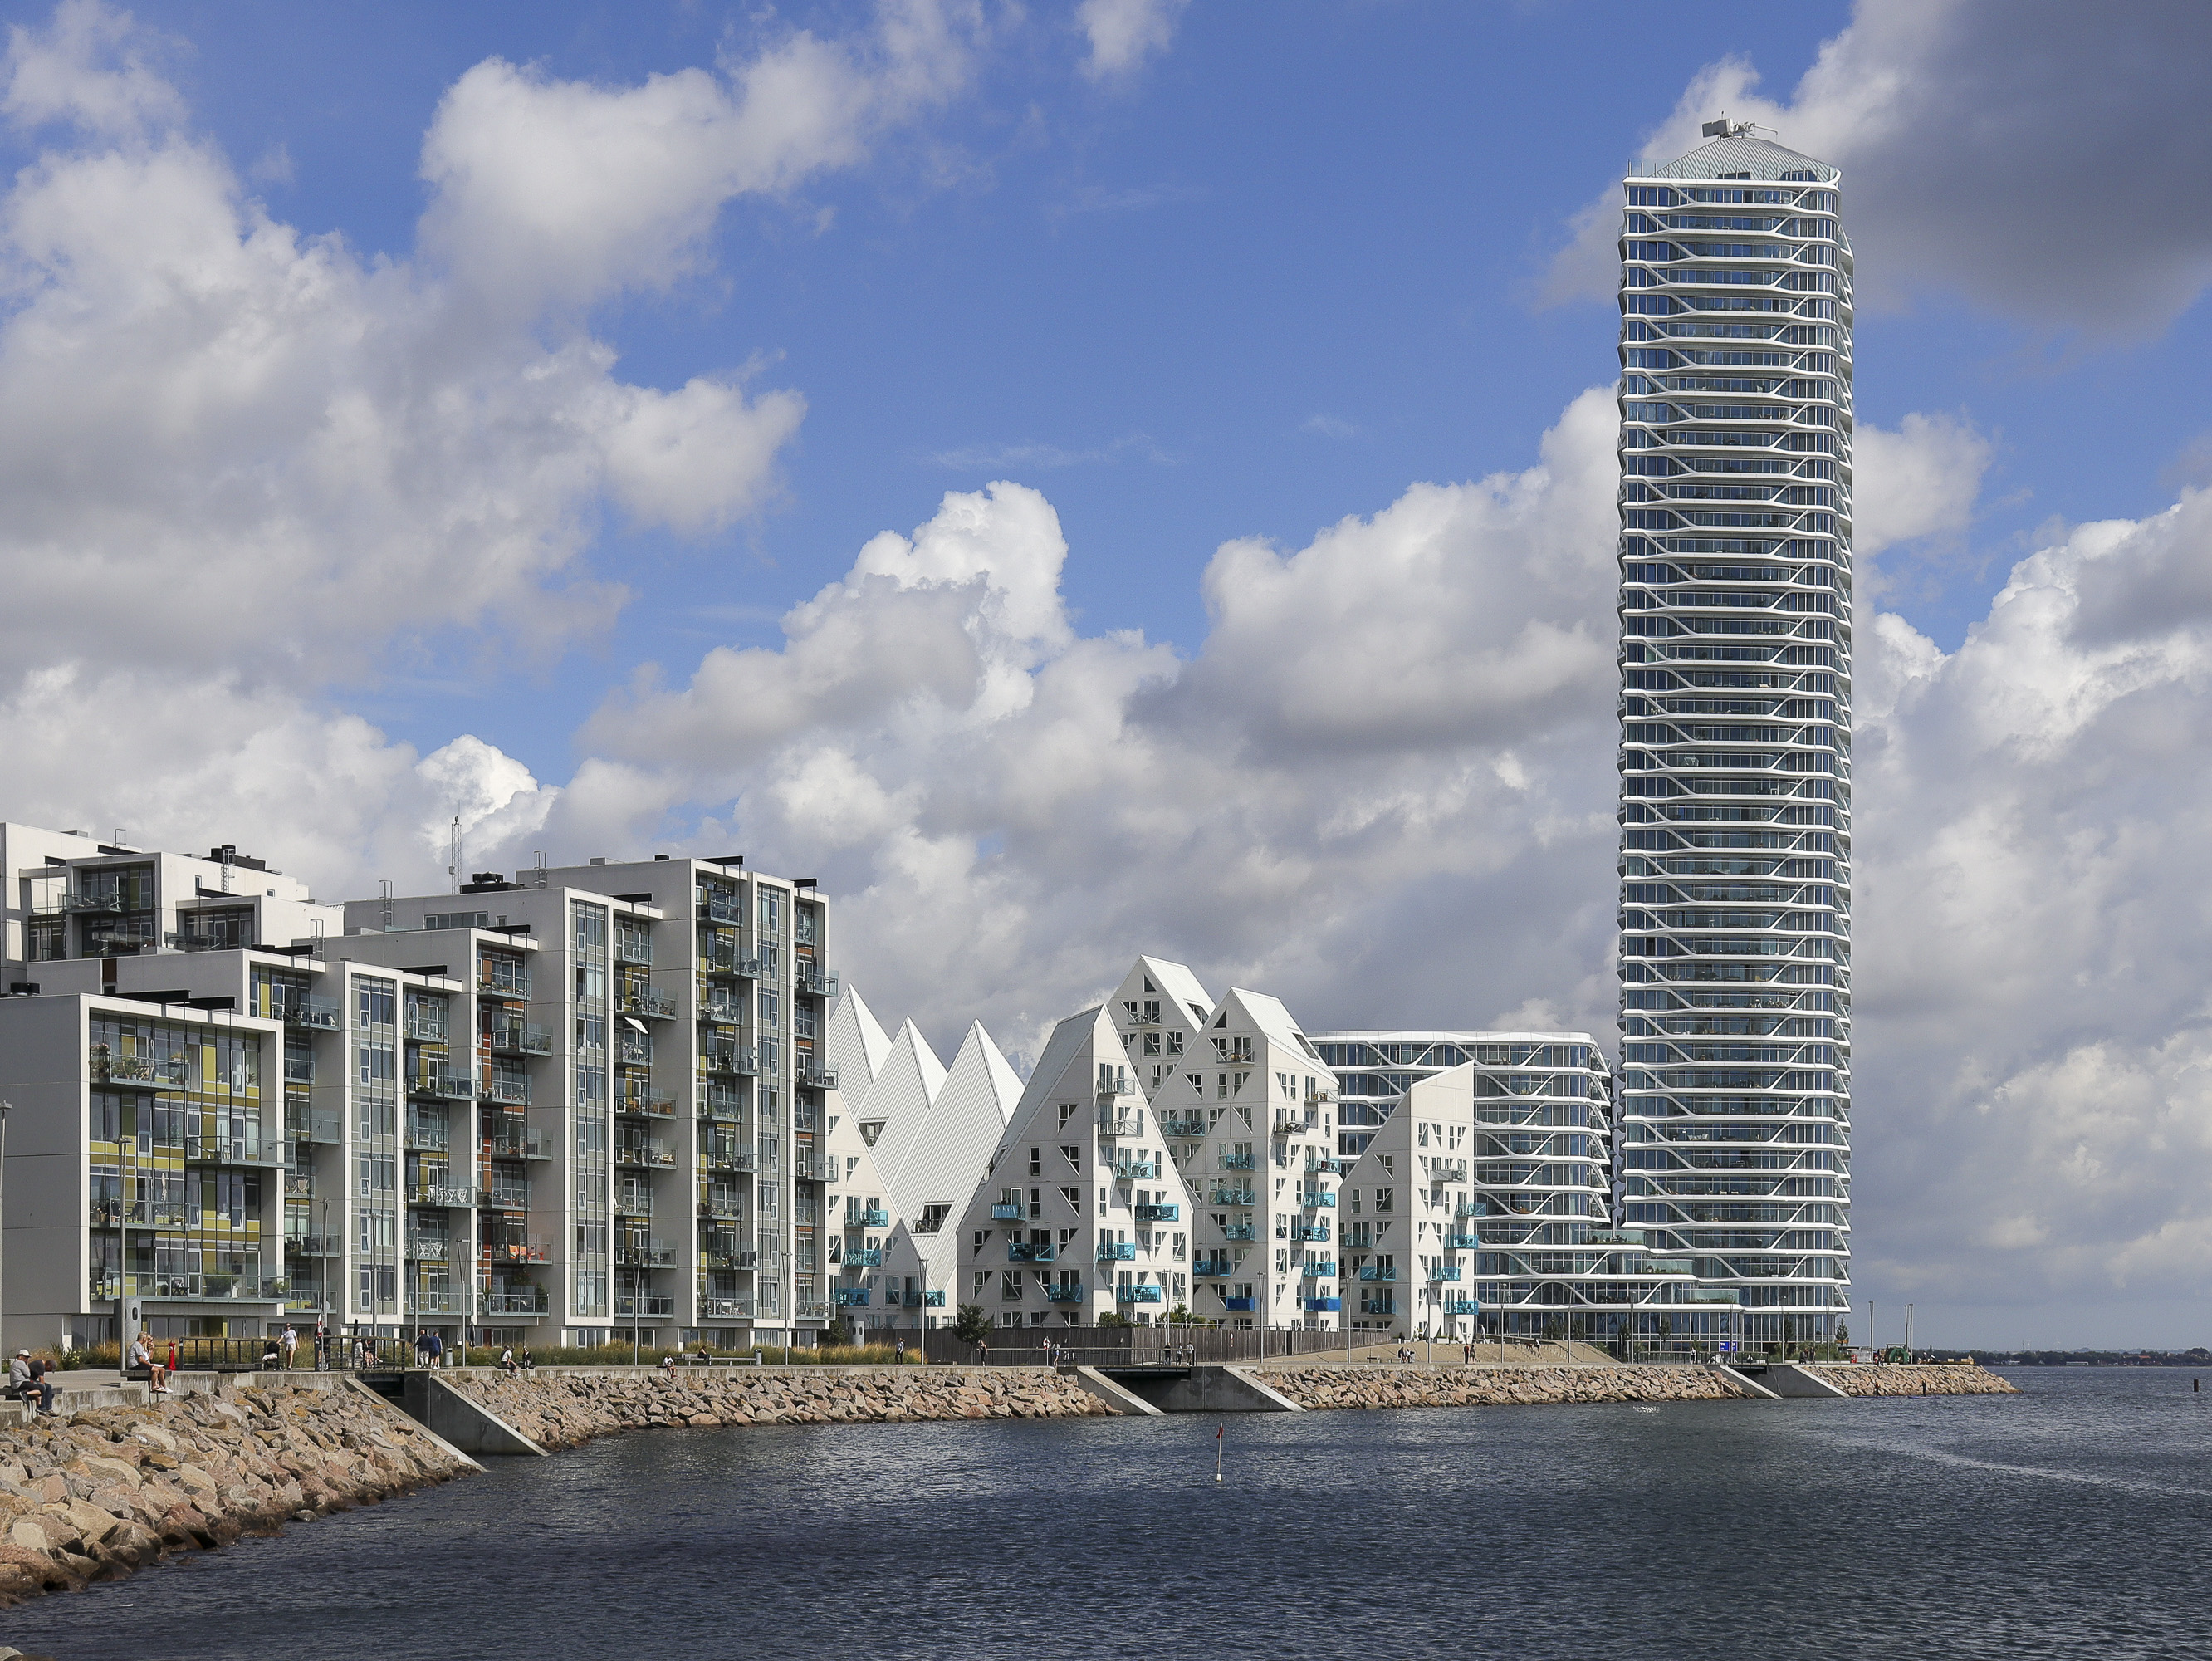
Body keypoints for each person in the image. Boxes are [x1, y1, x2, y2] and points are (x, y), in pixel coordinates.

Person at [9, 1350, 53, 1414]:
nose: (26, 1359)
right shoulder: (21, 1363)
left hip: (18, 1383)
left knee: (42, 1386)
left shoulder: (16, 1363)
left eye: (27, 1357)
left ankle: (41, 1407)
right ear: (20, 1356)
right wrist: (27, 1365)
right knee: (42, 1386)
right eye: (25, 1357)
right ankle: (26, 1394)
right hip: (20, 1383)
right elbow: (28, 1374)